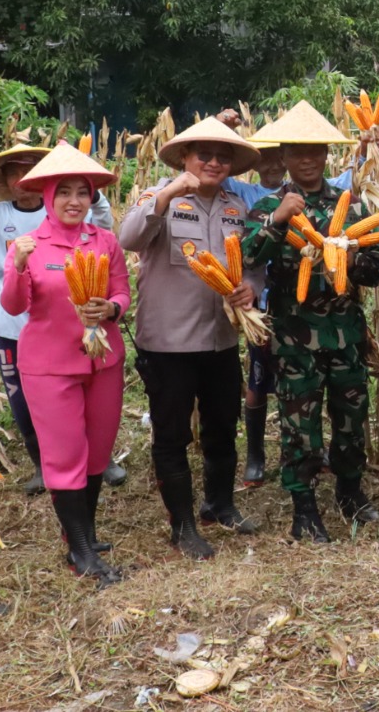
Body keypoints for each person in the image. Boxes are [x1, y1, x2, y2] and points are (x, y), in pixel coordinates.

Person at [243, 101, 379, 541]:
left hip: (345, 333)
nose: (308, 159)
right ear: (283, 156)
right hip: (293, 336)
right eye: (298, 151)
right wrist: (279, 221)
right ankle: (303, 505)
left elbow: (378, 268)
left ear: (327, 156)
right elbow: (249, 257)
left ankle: (349, 490)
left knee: (350, 415)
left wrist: (353, 256)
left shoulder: (352, 203)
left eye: (317, 151)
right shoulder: (269, 206)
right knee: (298, 423)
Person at [118, 117, 262, 558]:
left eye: (223, 156)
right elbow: (129, 237)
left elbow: (254, 261)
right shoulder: (156, 197)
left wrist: (252, 284)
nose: (214, 162)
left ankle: (219, 504)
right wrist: (166, 195)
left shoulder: (237, 207)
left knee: (222, 427)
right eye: (204, 154)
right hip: (168, 343)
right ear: (184, 158)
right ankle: (181, 525)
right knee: (172, 435)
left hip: (220, 339)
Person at [0, 144, 119, 495]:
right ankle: (43, 464)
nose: (23, 177)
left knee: (90, 398)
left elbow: (102, 223)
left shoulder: (68, 211)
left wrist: (89, 185)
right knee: (23, 401)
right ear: (7, 179)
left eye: (33, 168)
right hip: (11, 325)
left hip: (68, 326)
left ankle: (98, 460)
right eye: (15, 171)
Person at [0, 144, 129, 586]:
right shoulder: (28, 245)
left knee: (95, 454)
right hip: (50, 366)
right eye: (64, 193)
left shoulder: (105, 240)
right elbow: (14, 305)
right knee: (65, 457)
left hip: (103, 362)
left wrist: (109, 309)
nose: (74, 201)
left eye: (82, 192)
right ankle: (79, 551)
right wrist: (15, 266)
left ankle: (85, 536)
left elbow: (123, 293)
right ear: (49, 198)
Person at [220, 139, 287, 487]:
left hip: (298, 301)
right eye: (267, 160)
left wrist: (367, 151)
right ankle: (256, 454)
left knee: (298, 379)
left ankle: (299, 450)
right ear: (256, 164)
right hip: (260, 303)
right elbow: (220, 174)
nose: (274, 166)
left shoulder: (299, 192)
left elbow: (347, 182)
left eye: (280, 159)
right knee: (258, 376)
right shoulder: (247, 195)